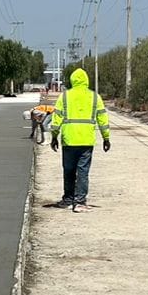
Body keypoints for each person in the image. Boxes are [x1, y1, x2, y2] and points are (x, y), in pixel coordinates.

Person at [49, 67, 111, 212]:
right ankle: (80, 202)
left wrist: (54, 136)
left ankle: (68, 199)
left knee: (68, 170)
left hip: (69, 139)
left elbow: (56, 118)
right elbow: (102, 118)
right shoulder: (94, 97)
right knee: (83, 171)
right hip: (86, 140)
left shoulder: (64, 96)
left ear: (72, 80)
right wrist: (106, 138)